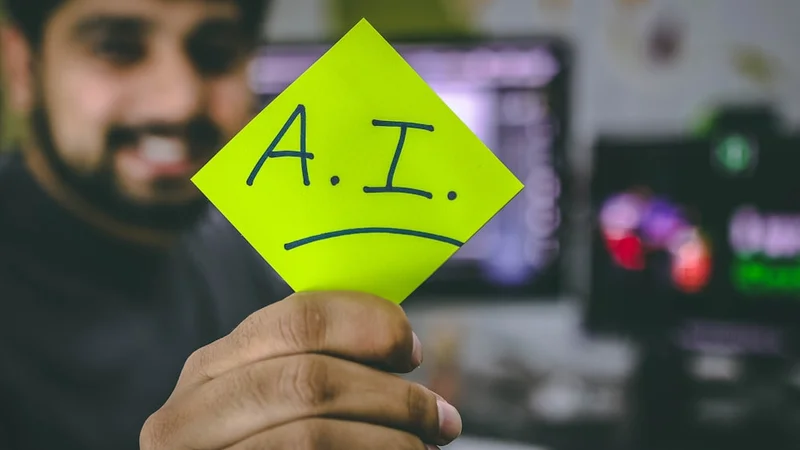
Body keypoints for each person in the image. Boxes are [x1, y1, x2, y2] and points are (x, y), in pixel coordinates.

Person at [0, 0, 463, 449]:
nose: (179, 102)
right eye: (116, 48)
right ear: (23, 66)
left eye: (216, 53)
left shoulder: (248, 256)